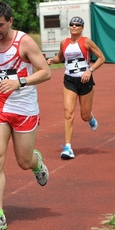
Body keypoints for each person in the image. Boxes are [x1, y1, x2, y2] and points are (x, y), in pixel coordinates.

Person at [0, 1, 51, 230]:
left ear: (11, 21)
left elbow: (46, 72)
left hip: (24, 109)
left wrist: (19, 82)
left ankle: (36, 163)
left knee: (23, 161)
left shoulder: (24, 42)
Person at [46, 16, 105, 160]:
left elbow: (101, 58)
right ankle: (68, 147)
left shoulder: (86, 42)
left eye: (77, 25)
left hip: (85, 80)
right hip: (69, 81)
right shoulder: (64, 43)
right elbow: (60, 58)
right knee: (68, 113)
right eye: (72, 25)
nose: (74, 27)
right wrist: (52, 60)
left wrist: (89, 71)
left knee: (84, 116)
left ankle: (90, 118)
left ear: (82, 28)